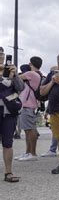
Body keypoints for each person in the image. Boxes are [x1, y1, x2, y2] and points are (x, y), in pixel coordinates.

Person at [0, 52, 24, 182]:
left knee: (8, 143)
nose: (1, 58)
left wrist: (15, 76)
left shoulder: (10, 72)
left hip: (9, 111)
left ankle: (8, 172)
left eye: (2, 56)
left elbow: (21, 88)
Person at [14, 56, 43, 161]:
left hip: (28, 105)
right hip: (28, 105)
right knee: (27, 130)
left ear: (31, 64)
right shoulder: (37, 74)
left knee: (30, 130)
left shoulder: (31, 74)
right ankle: (28, 152)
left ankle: (33, 153)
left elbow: (15, 77)